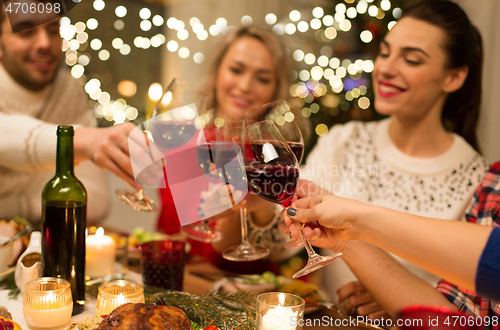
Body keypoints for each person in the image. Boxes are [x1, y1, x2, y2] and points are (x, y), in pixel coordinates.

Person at [294, 0, 489, 318]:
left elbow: (465, 311)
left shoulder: (479, 181)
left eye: (411, 59)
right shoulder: (345, 140)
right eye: (384, 52)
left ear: (453, 77)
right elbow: (283, 234)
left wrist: (395, 298)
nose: (384, 68)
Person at [156, 26, 308, 270]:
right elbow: (176, 235)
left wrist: (252, 209)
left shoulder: (273, 155)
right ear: (216, 73)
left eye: (262, 78)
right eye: (236, 70)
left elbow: (283, 247)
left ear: (275, 88)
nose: (245, 85)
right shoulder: (185, 141)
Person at [0, 0, 158, 223]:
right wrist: (83, 140)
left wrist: (11, 209)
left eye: (53, 30)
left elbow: (95, 200)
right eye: (26, 32)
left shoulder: (68, 88)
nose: (44, 43)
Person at [280, 161, 500, 318]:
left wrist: (356, 219)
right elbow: (460, 319)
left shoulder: (475, 173)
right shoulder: (494, 184)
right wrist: (342, 237)